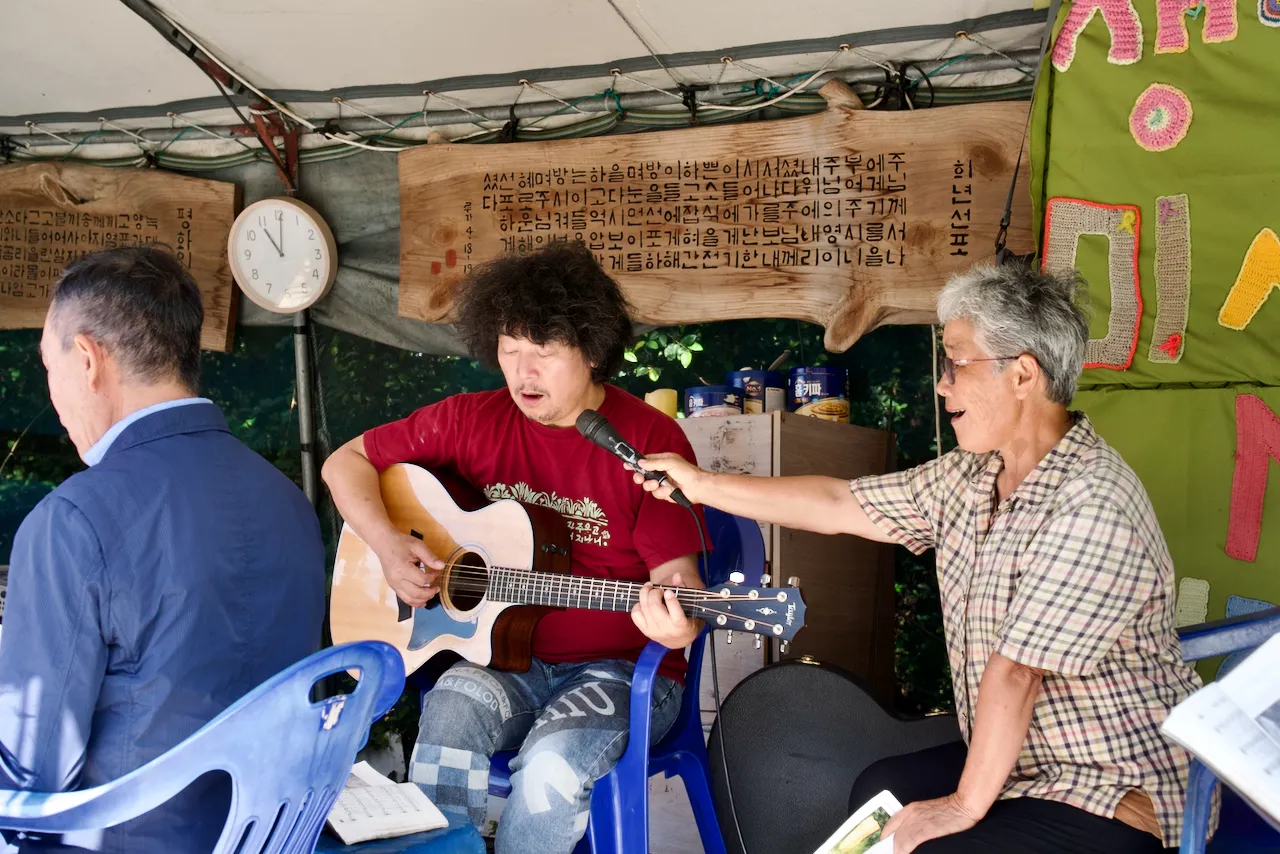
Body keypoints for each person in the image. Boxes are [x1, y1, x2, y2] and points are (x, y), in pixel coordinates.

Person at [635, 264, 1205, 853]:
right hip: (1024, 763)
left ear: (1023, 375)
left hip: (1113, 786)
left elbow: (1018, 673)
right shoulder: (971, 474)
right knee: (882, 792)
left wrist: (959, 808)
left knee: (930, 844)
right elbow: (838, 502)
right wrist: (699, 484)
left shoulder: (1092, 499)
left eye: (956, 363)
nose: (941, 384)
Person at [321, 240, 705, 854]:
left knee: (548, 772)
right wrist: (391, 546)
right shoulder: (470, 420)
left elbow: (678, 583)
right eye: (510, 350)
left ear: (592, 350)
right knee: (449, 708)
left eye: (544, 353)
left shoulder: (648, 438)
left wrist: (679, 623)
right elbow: (346, 463)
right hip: (507, 662)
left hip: (624, 669)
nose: (523, 373)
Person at [0, 247, 325, 853]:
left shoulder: (72, 520)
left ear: (88, 358)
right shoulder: (289, 504)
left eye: (49, 367)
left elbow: (29, 779)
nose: (55, 397)